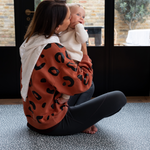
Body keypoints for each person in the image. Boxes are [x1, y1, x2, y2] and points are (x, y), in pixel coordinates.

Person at [20, 0, 126, 136]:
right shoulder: (53, 49)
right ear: (57, 25)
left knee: (90, 87)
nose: (71, 20)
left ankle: (80, 119)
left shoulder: (33, 41)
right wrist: (84, 47)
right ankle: (81, 122)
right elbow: (83, 80)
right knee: (119, 98)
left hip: (34, 117)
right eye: (68, 18)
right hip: (51, 122)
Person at [58, 3, 88, 103]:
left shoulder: (78, 30)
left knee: (70, 78)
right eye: (78, 15)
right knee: (61, 77)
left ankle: (65, 97)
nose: (81, 18)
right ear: (68, 16)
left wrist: (79, 26)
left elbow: (83, 39)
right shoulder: (63, 29)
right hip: (61, 57)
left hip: (73, 59)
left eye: (83, 17)